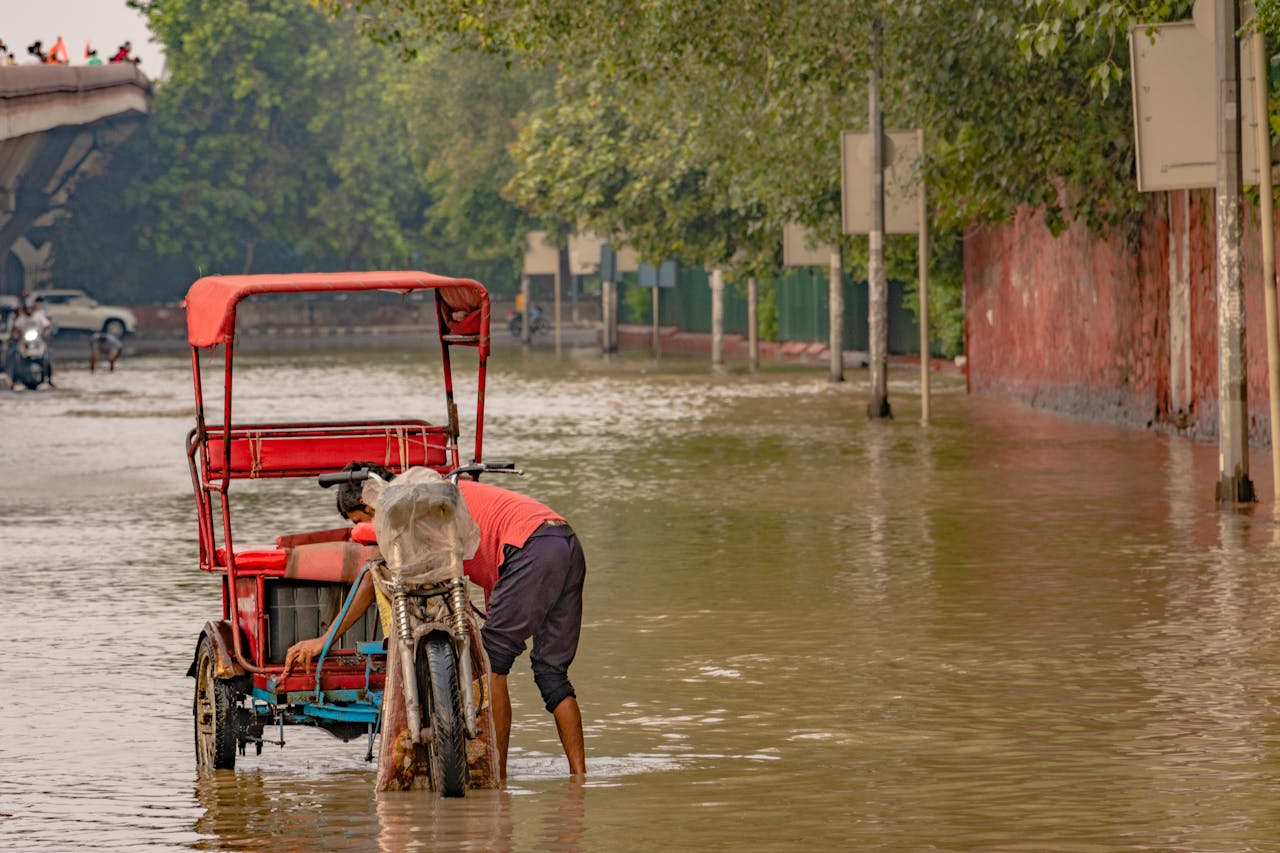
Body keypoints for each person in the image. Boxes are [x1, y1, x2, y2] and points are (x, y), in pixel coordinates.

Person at [284, 462, 587, 779]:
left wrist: (325, 639)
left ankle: (497, 777)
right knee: (552, 674)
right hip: (564, 540)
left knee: (493, 660)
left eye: (364, 521)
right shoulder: (436, 493)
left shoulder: (414, 506)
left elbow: (372, 576)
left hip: (530, 549)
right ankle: (579, 778)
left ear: (370, 504)